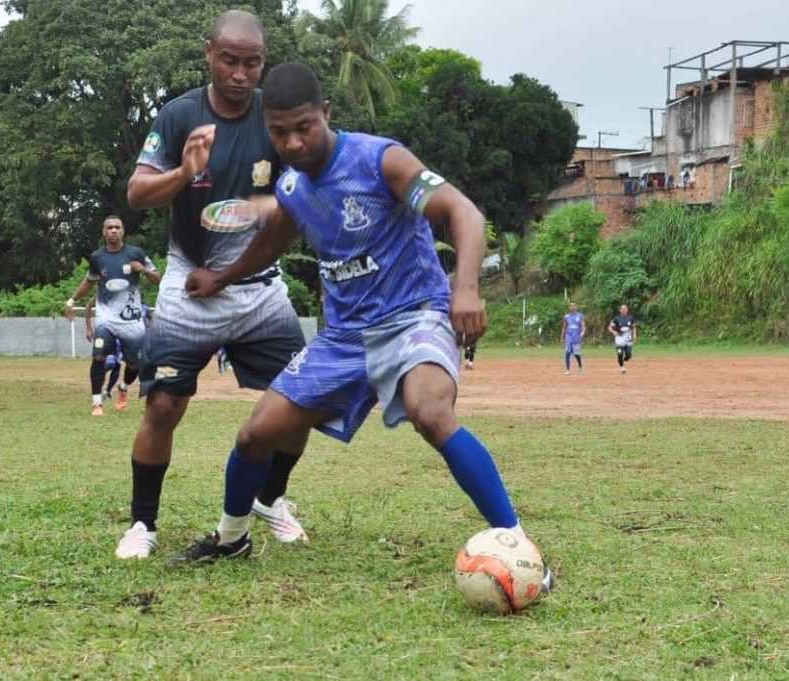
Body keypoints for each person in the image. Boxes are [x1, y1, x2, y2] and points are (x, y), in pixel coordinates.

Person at [172, 61, 551, 592]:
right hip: (343, 338)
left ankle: (519, 546)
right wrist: (222, 276)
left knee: (430, 411)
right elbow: (274, 239)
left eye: (304, 126)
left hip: (414, 315)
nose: (294, 141)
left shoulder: (381, 160)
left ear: (325, 113)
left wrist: (465, 289)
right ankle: (231, 538)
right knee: (256, 433)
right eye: (280, 132)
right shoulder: (291, 186)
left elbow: (463, 212)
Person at [120, 10, 312, 559]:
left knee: (301, 401)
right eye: (229, 60)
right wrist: (182, 173)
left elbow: (304, 188)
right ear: (209, 53)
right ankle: (143, 524)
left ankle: (270, 500)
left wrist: (274, 203)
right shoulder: (180, 115)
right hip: (189, 284)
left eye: (252, 63)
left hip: (258, 285)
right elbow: (137, 193)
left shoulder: (276, 117)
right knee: (163, 407)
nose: (240, 73)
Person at [64, 216, 160, 417]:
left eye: (117, 227)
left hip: (131, 321)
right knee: (98, 356)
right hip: (106, 318)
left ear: (123, 231)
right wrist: (71, 301)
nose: (114, 231)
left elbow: (157, 279)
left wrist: (142, 269)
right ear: (104, 232)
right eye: (110, 228)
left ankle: (123, 387)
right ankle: (96, 403)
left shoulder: (136, 253)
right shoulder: (97, 257)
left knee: (134, 364)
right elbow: (88, 282)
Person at [608, 304, 637, 374]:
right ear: (620, 310)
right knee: (620, 353)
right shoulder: (616, 318)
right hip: (619, 338)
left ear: (627, 310)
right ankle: (622, 367)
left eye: (625, 309)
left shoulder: (631, 318)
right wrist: (613, 332)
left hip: (628, 339)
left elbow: (634, 327)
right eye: (622, 309)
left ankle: (623, 359)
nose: (624, 310)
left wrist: (634, 335)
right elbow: (609, 327)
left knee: (628, 355)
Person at [560, 302, 586, 374]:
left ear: (576, 307)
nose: (572, 307)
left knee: (576, 354)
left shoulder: (580, 316)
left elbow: (583, 326)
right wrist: (562, 336)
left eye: (574, 306)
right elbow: (564, 327)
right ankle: (567, 370)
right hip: (568, 336)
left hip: (576, 336)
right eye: (571, 306)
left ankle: (580, 367)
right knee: (567, 352)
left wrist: (583, 332)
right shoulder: (566, 316)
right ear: (569, 308)